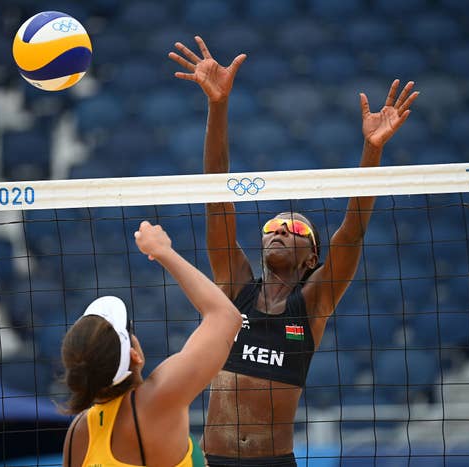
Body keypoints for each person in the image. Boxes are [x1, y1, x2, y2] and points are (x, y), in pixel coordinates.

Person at [169, 36, 419, 466]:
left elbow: (352, 233)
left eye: (295, 228)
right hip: (213, 460)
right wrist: (218, 105)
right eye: (272, 227)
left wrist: (372, 151)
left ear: (311, 258)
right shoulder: (234, 286)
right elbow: (216, 196)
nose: (281, 230)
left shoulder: (313, 303)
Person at [61, 220, 242, 467]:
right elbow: (226, 317)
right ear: (134, 355)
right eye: (130, 329)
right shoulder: (156, 401)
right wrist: (162, 251)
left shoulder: (79, 432)